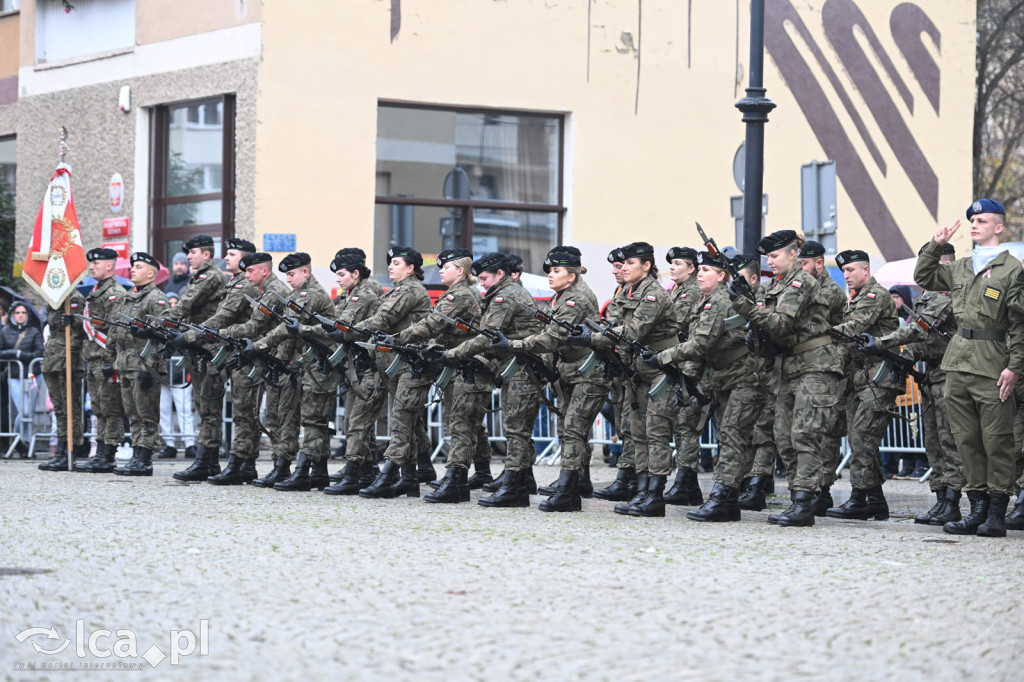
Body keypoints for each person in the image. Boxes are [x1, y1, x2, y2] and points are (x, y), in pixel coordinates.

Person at [914, 199, 1024, 537]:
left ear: (999, 227)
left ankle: (996, 513)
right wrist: (936, 245)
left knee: (997, 440)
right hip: (958, 362)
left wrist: (1015, 367)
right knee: (966, 440)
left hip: (993, 363)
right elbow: (923, 276)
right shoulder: (960, 267)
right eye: (972, 221)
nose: (974, 225)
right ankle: (976, 510)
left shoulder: (1012, 270)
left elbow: (1020, 324)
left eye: (982, 221)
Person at [731, 230, 843, 526]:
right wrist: (745, 296)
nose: (770, 261)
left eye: (775, 255)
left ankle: (805, 501)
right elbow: (762, 318)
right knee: (783, 436)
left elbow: (780, 323)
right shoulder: (775, 285)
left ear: (793, 254)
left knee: (805, 435)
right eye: (768, 257)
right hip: (790, 367)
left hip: (815, 366)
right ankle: (798, 498)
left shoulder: (800, 282)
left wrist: (744, 305)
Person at [651, 250, 766, 521]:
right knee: (728, 436)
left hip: (744, 378)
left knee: (732, 435)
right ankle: (729, 501)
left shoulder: (719, 300)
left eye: (706, 271)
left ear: (722, 276)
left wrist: (662, 356)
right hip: (726, 377)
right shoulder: (706, 300)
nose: (700, 275)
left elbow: (701, 344)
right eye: (700, 270)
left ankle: (722, 498)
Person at [569, 241, 679, 517]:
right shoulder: (630, 292)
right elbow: (615, 325)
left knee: (656, 433)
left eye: (631, 263)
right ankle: (641, 491)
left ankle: (655, 495)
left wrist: (592, 338)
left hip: (660, 373)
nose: (625, 268)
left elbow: (631, 332)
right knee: (638, 434)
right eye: (624, 263)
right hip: (638, 372)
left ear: (647, 266)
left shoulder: (653, 294)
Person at [506, 246, 609, 511]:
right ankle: (574, 485)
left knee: (573, 429)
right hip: (570, 370)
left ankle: (567, 490)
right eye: (550, 270)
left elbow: (552, 337)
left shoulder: (575, 299)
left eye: (556, 270)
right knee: (567, 429)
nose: (550, 275)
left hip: (588, 372)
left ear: (571, 276)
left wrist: (514, 345)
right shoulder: (560, 297)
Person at [391, 248, 490, 503]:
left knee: (460, 425)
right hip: (460, 368)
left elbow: (431, 324)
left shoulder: (459, 295)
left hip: (465, 368)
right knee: (463, 424)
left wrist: (395, 338)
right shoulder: (461, 293)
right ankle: (460, 480)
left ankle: (456, 481)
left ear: (460, 271)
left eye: (446, 267)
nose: (441, 271)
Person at [447, 251, 545, 507]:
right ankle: (521, 480)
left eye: (484, 278)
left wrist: (452, 353)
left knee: (515, 427)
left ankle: (514, 486)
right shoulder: (503, 292)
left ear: (500, 274)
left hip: (523, 368)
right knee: (516, 426)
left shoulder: (505, 295)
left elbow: (487, 336)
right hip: (517, 367)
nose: (482, 284)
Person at [876, 242, 963, 525]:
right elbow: (918, 341)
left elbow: (917, 329)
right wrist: (898, 359)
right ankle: (941, 499)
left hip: (949, 375)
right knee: (933, 442)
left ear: (945, 265)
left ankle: (952, 501)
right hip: (931, 376)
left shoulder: (947, 295)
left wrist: (880, 343)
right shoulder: (929, 295)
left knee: (949, 442)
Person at [825, 250, 900, 521]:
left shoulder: (874, 295)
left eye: (851, 270)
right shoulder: (855, 298)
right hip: (860, 378)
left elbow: (854, 327)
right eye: (843, 271)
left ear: (865, 270)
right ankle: (876, 501)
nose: (846, 276)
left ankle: (859, 499)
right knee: (861, 441)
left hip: (879, 378)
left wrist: (819, 334)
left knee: (862, 438)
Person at [253, 252, 337, 491]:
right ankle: (314, 471)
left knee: (312, 420)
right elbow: (289, 334)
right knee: (299, 418)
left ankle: (301, 470)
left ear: (305, 272)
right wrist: (279, 361)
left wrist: (259, 347)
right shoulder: (296, 294)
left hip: (318, 366)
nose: (288, 279)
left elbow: (286, 330)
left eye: (291, 274)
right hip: (304, 365)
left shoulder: (310, 294)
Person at [181, 237, 260, 485]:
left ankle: (242, 464)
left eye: (232, 254)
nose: (226, 257)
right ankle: (213, 461)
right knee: (216, 410)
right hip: (229, 353)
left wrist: (190, 334)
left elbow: (223, 317)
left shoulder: (244, 284)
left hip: (244, 356)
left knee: (243, 412)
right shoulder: (232, 282)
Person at [358, 246, 434, 498]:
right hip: (398, 365)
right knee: (406, 422)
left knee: (401, 421)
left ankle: (387, 475)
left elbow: (382, 319)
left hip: (412, 365)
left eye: (397, 263)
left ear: (410, 268)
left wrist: (345, 329)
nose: (390, 266)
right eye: (390, 262)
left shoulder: (410, 290)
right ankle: (409, 477)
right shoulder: (398, 290)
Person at [227, 252, 299, 487]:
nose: (246, 275)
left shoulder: (274, 292)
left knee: (279, 417)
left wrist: (219, 333)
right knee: (268, 415)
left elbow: (254, 327)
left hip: (282, 363)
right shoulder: (263, 291)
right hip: (270, 360)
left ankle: (281, 467)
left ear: (264, 271)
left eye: (250, 270)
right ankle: (268, 466)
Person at [320, 248, 386, 495]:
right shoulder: (353, 292)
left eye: (341, 274)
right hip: (358, 367)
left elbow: (342, 325)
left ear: (355, 274)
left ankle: (353, 473)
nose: (337, 279)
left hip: (370, 368)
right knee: (352, 421)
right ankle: (366, 472)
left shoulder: (364, 293)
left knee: (357, 422)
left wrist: (311, 327)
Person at [164, 235, 227, 482]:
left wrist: (160, 321)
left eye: (193, 252)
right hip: (199, 349)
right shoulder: (199, 276)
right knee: (204, 407)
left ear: (207, 254)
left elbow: (185, 306)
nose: (189, 257)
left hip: (209, 350)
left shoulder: (210, 276)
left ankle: (205, 461)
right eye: (188, 253)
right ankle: (209, 462)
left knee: (209, 408)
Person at [795, 241, 846, 514]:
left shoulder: (830, 291)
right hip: (806, 364)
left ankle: (821, 490)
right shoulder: (804, 286)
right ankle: (810, 489)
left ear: (818, 263)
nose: (800, 269)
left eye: (804, 264)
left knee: (824, 434)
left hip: (826, 365)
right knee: (809, 432)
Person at [112, 252, 170, 476]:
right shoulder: (128, 297)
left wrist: (150, 366)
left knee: (146, 413)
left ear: (151, 274)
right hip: (126, 363)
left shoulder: (156, 298)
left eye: (138, 267)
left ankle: (145, 458)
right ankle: (136, 455)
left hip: (145, 364)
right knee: (132, 413)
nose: (132, 270)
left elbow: (163, 333)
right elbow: (117, 330)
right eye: (132, 266)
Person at [75, 248, 128, 473]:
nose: (91, 267)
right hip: (93, 357)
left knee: (110, 407)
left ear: (109, 265)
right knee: (97, 407)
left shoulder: (115, 293)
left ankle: (109, 454)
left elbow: (115, 329)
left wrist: (108, 360)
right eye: (91, 263)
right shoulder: (96, 291)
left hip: (107, 357)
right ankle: (100, 453)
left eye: (96, 263)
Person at [592, 249, 638, 501]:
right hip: (620, 367)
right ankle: (627, 476)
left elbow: (628, 331)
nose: (616, 271)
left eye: (621, 266)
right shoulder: (621, 291)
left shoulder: (640, 292)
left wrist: (596, 338)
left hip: (636, 368)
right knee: (623, 425)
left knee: (633, 427)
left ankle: (633, 479)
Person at [662, 246, 706, 506]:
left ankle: (686, 481)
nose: (672, 267)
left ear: (692, 269)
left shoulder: (691, 292)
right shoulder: (677, 290)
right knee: (681, 423)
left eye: (678, 263)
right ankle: (687, 483)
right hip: (680, 362)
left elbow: (673, 325)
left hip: (691, 364)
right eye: (672, 263)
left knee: (686, 422)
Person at [36, 293, 88, 471]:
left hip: (67, 360)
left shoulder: (74, 298)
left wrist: (69, 360)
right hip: (53, 359)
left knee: (70, 409)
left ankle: (70, 451)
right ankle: (60, 450)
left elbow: (78, 333)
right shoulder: (55, 297)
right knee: (59, 409)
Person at [0, 302, 44, 456]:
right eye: (17, 312)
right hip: (14, 375)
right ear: (12, 314)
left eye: (23, 312)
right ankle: (20, 441)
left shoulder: (34, 331)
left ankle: (23, 441)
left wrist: (20, 355)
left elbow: (39, 352)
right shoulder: (5, 331)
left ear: (27, 315)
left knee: (29, 412)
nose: (20, 315)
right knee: (23, 411)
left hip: (33, 375)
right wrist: (15, 354)